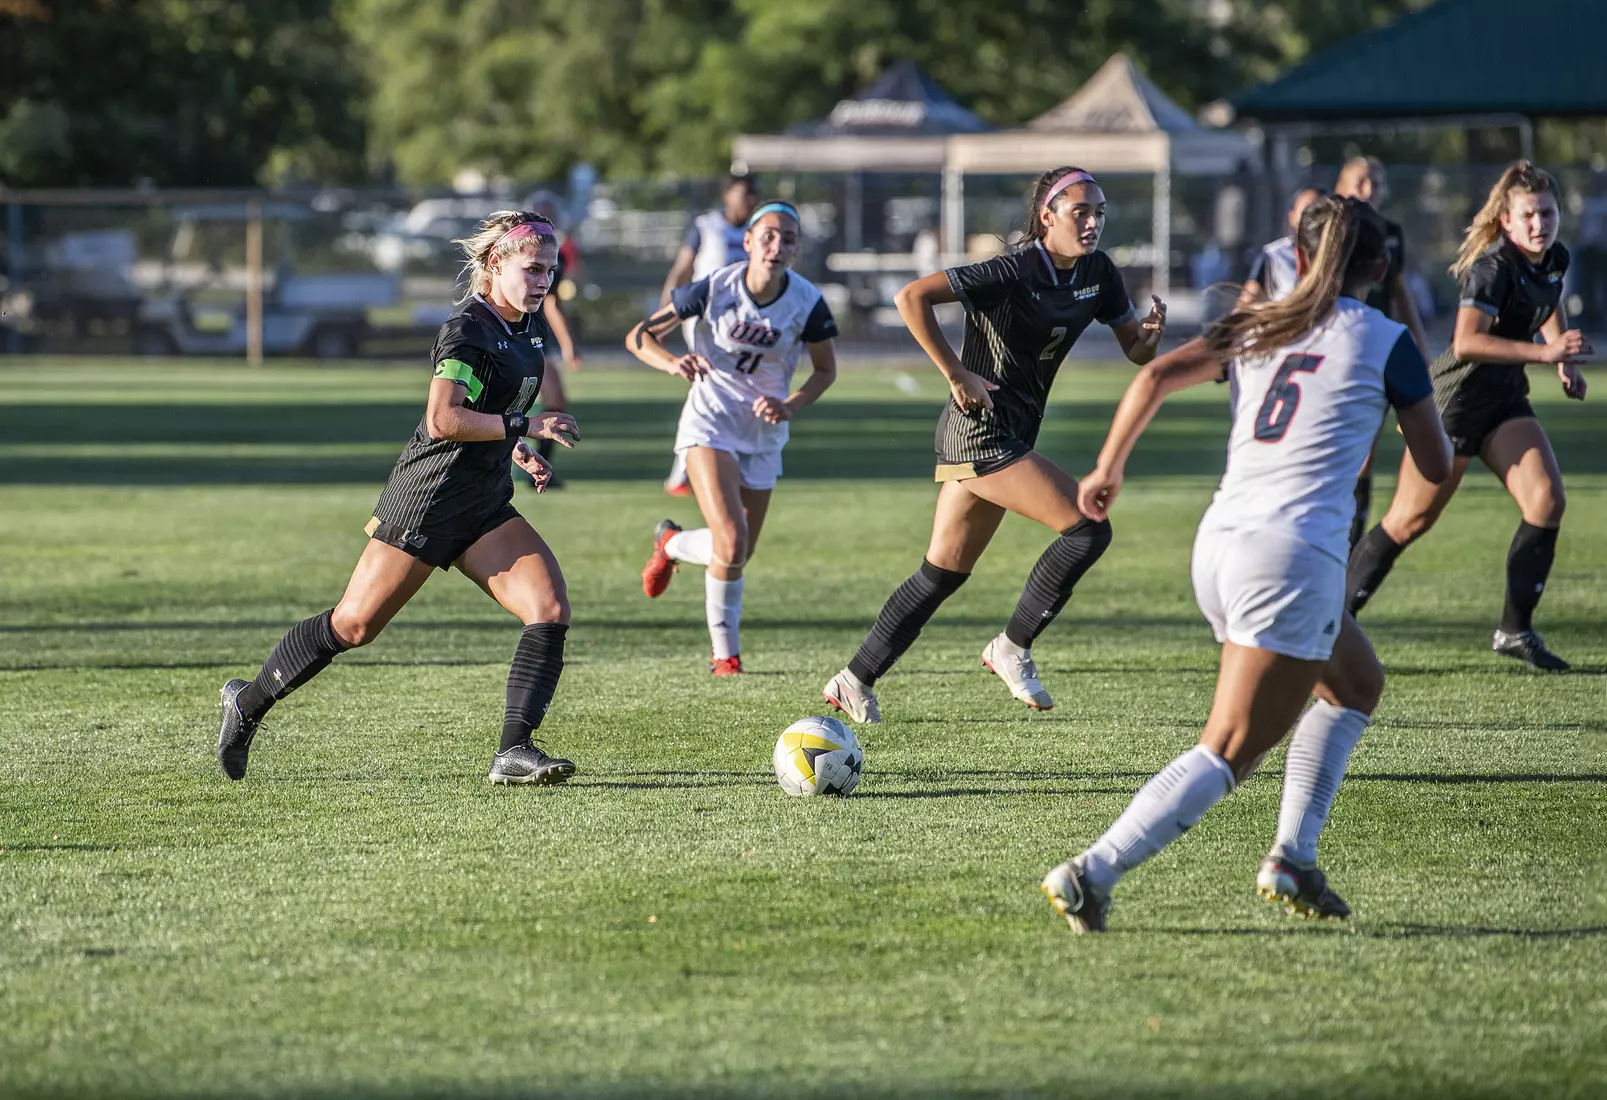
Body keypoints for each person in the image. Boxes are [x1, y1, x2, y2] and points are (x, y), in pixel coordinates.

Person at [1040, 196, 1453, 933]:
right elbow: (1436, 461)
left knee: (1355, 683)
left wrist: (1106, 468)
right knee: (1230, 747)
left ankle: (1294, 856)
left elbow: (1152, 378)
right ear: (1380, 266)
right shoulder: (1385, 338)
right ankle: (1091, 872)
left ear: (1298, 256)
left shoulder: (1257, 322)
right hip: (1291, 558)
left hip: (1221, 542)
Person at [215, 212, 584, 786]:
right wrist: (527, 425)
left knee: (549, 608)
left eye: (550, 270)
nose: (544, 281)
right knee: (354, 626)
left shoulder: (528, 329)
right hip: (428, 501)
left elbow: (488, 410)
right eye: (532, 269)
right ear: (495, 264)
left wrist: (516, 448)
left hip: (484, 503)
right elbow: (443, 420)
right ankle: (248, 702)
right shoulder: (467, 329)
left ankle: (513, 751)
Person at [819, 167, 1167, 723]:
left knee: (941, 574)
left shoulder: (1099, 272)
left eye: (1100, 212)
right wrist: (956, 373)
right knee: (1088, 527)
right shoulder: (1011, 268)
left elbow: (1136, 352)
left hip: (1013, 432)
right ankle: (1012, 646)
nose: (1093, 222)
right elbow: (912, 297)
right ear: (1047, 216)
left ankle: (853, 679)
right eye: (1080, 211)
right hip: (979, 431)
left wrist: (1149, 337)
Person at [1347, 160, 1591, 670]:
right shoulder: (1493, 267)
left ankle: (1515, 630)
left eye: (1547, 213)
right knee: (1408, 521)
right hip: (1455, 404)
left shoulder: (1553, 257)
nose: (1539, 224)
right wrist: (1544, 354)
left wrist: (1563, 361)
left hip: (1504, 401)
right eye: (1528, 215)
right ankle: (1329, 622)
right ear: (1506, 220)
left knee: (1546, 501)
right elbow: (1466, 342)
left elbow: (1549, 301)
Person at [628, 201, 839, 675]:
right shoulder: (715, 287)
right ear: (747, 242)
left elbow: (825, 371)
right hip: (711, 421)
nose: (777, 246)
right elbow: (640, 336)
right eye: (768, 236)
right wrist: (672, 362)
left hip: (764, 433)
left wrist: (790, 406)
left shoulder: (807, 300)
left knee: (738, 551)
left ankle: (671, 544)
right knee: (731, 537)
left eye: (788, 239)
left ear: (796, 249)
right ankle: (726, 656)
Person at [1335, 156, 1432, 548]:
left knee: (1365, 454)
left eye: (1374, 182)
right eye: (1360, 181)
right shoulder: (1330, 226)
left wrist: (1420, 345)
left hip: (1375, 348)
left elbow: (1399, 290)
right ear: (1342, 185)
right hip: (1336, 344)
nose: (1368, 189)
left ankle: (1352, 540)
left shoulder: (1390, 234)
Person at [658, 174, 761, 497]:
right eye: (743, 194)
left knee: (728, 389)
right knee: (710, 384)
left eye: (753, 195)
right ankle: (683, 470)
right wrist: (663, 316)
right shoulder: (707, 226)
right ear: (728, 195)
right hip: (705, 320)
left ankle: (711, 462)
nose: (749, 201)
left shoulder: (758, 230)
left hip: (743, 324)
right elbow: (682, 270)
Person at [518, 192, 582, 490]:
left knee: (556, 403)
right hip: (514, 334)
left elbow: (553, 303)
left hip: (535, 337)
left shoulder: (558, 256)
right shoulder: (516, 252)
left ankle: (541, 469)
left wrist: (568, 345)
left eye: (550, 215)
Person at [1236, 185, 1326, 306]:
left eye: (1320, 211)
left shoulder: (1342, 254)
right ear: (1292, 216)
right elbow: (1248, 301)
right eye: (1307, 210)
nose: (1314, 219)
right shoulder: (1274, 255)